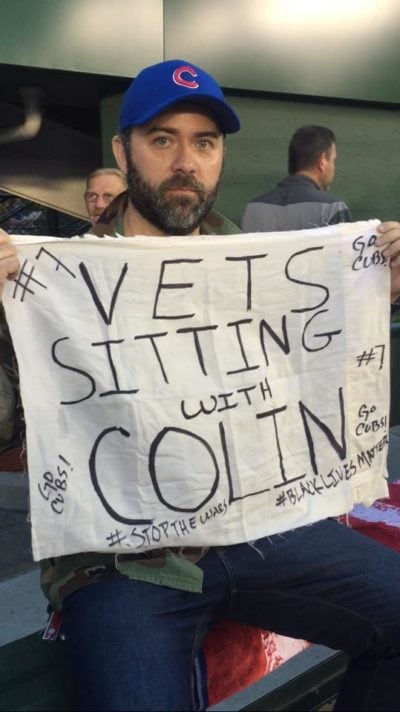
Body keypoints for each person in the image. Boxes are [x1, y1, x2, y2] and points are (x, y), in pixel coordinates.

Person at [1, 60, 400, 712]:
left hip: (260, 526)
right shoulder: (49, 280)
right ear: (122, 150)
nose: (185, 161)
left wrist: (372, 295)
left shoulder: (256, 262)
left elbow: (302, 381)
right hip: (122, 562)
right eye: (162, 139)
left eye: (205, 143)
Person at [241, 125, 352, 232]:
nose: (333, 167)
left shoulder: (253, 209)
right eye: (333, 160)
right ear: (322, 161)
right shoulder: (333, 208)